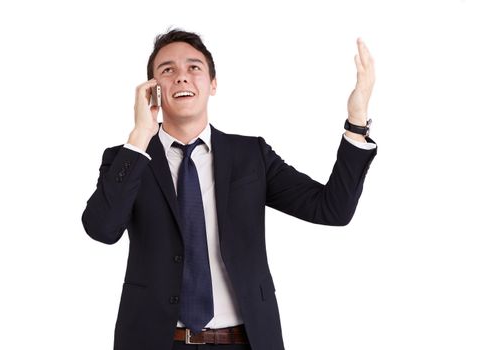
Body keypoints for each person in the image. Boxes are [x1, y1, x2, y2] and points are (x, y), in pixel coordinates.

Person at [81, 29, 377, 350]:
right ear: (152, 90)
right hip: (156, 340)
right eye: (167, 70)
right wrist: (140, 135)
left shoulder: (251, 156)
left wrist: (356, 121)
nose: (181, 77)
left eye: (194, 68)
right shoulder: (129, 158)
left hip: (244, 340)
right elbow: (102, 229)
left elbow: (332, 209)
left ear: (213, 84)